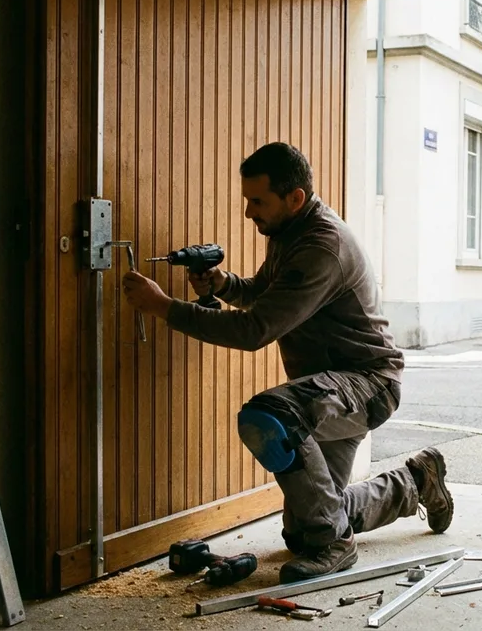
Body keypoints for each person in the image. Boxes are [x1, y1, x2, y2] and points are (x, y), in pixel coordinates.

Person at [121, 142, 452, 584]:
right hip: (330, 389)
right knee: (303, 532)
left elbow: (255, 330)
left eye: (257, 202)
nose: (248, 212)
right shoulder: (290, 232)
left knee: (268, 416)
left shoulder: (321, 245)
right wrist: (224, 284)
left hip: (366, 384)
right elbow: (266, 293)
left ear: (294, 197)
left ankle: (336, 545)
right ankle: (415, 481)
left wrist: (163, 307)